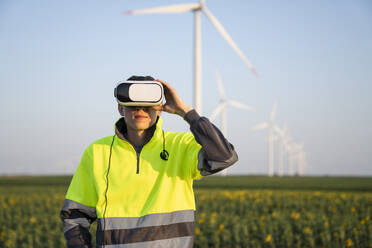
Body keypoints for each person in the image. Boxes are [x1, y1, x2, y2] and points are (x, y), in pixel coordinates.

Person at [60, 75, 238, 248]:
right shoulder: (98, 151)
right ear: (120, 108)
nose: (140, 109)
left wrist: (186, 111)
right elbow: (75, 214)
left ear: (160, 108)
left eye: (148, 104)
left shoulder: (181, 146)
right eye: (133, 104)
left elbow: (224, 157)